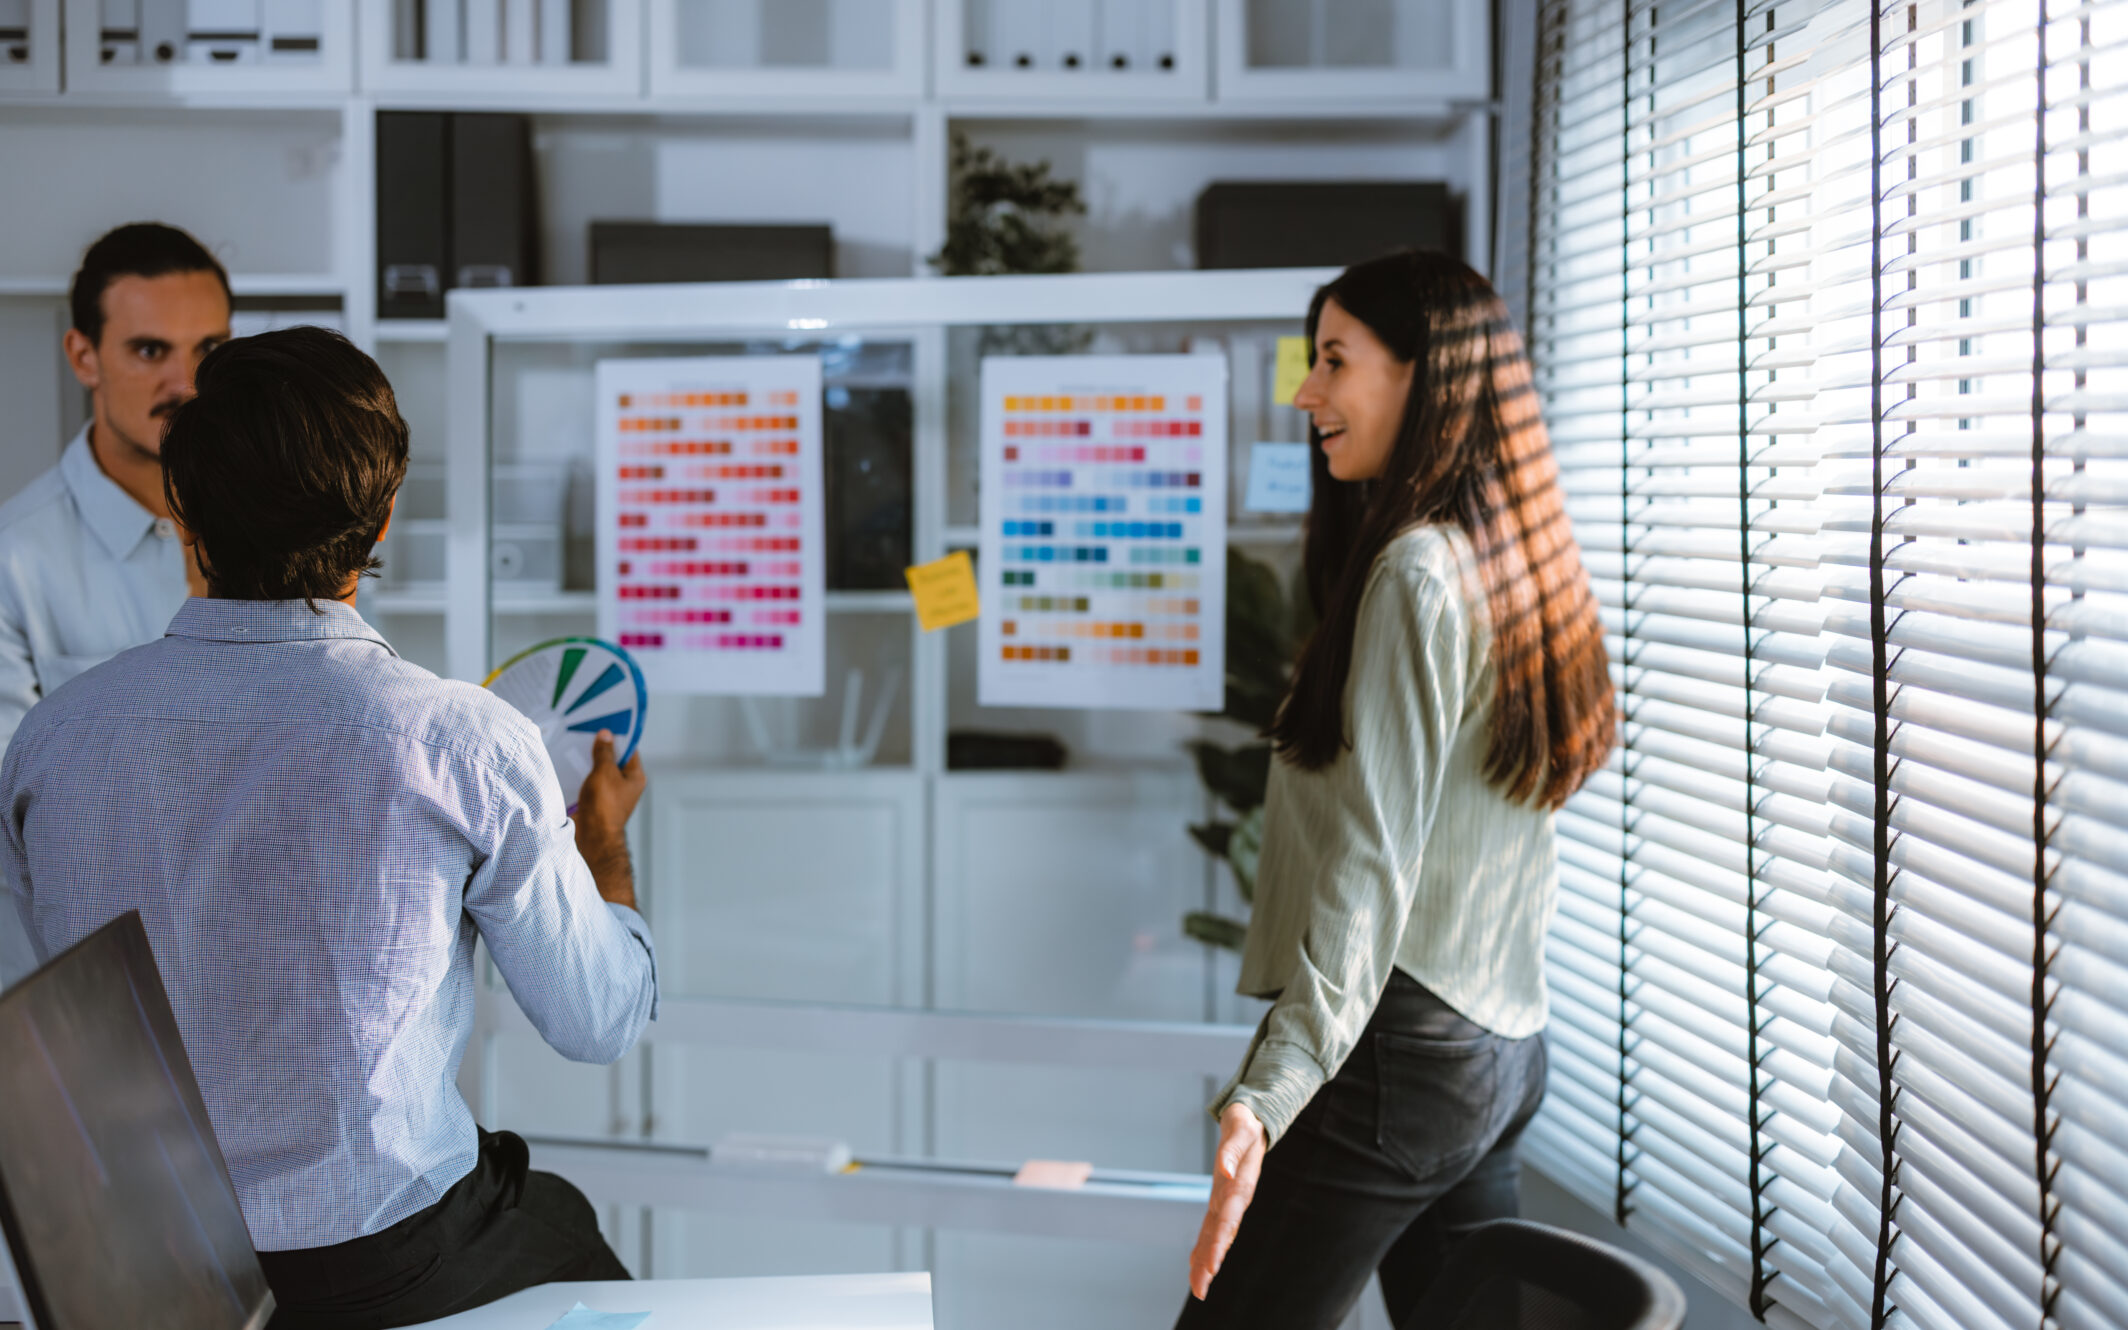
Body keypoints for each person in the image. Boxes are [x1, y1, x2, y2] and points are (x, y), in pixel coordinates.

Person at [0, 327, 658, 1329]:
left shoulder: (50, 741)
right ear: (384, 509)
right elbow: (598, 1020)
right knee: (561, 1228)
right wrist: (601, 852)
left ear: (182, 505)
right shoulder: (462, 741)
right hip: (376, 1260)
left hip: (135, 1263)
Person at [1177, 250, 1616, 1329]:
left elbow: (1373, 866)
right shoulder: (1512, 556)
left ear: (1427, 376)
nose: (1304, 392)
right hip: (1501, 1046)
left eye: (1334, 359)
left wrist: (1269, 1092)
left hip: (1400, 1052)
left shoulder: (1418, 571)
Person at [0, 222, 232, 754]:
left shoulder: (290, 517)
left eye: (209, 346)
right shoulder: (14, 560)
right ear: (84, 358)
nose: (188, 383)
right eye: (150, 351)